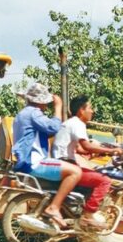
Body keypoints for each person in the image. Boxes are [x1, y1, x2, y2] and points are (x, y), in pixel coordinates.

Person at [11, 82, 82, 228]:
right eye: (45, 103)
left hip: (25, 162)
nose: (46, 106)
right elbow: (54, 127)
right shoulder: (33, 113)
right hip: (34, 163)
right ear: (40, 102)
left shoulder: (22, 114)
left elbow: (47, 132)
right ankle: (54, 208)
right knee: (76, 172)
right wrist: (58, 107)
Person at [52, 95, 123, 230]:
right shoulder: (77, 123)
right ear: (81, 110)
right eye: (90, 108)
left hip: (63, 163)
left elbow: (79, 148)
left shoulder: (71, 123)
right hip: (66, 165)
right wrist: (112, 151)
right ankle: (88, 215)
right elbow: (86, 146)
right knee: (104, 181)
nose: (92, 111)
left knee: (94, 174)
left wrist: (99, 151)